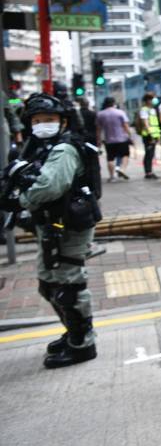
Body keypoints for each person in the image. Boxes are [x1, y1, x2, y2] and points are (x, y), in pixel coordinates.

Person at [12, 93, 102, 368]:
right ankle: (73, 332)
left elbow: (49, 187)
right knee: (48, 284)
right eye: (37, 120)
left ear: (63, 122)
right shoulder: (39, 147)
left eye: (49, 120)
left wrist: (22, 200)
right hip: (50, 224)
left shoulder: (64, 149)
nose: (43, 125)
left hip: (70, 227)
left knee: (69, 285)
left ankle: (83, 343)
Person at [96, 97, 133, 182]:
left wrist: (99, 140)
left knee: (110, 158)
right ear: (113, 103)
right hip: (122, 139)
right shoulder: (120, 113)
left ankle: (112, 176)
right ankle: (122, 169)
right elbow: (125, 126)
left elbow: (98, 129)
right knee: (125, 155)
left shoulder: (100, 114)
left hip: (108, 140)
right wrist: (130, 136)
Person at [136, 91, 161, 179]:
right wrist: (151, 134)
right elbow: (145, 123)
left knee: (151, 154)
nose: (154, 100)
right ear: (147, 100)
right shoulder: (144, 110)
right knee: (149, 153)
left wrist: (157, 136)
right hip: (148, 135)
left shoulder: (152, 109)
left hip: (154, 135)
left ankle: (150, 171)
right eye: (152, 99)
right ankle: (148, 172)